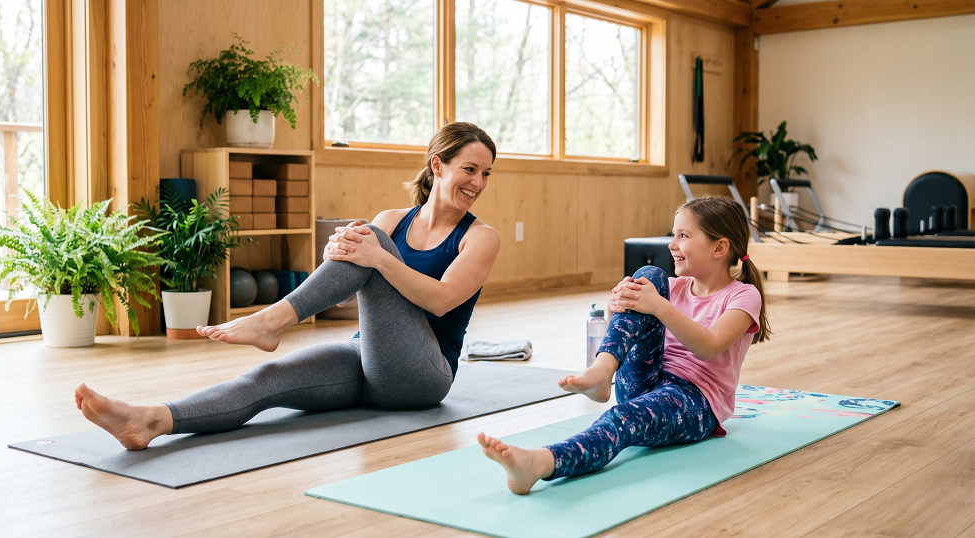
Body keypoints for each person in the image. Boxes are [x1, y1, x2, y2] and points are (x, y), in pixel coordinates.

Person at [75, 122, 501, 450]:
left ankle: (270, 320)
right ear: (437, 165)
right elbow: (357, 285)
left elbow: (443, 302)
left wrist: (375, 257)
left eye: (485, 173)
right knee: (268, 376)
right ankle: (150, 421)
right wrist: (340, 252)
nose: (478, 183)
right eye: (470, 169)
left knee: (374, 244)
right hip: (363, 353)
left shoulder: (480, 237)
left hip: (422, 375)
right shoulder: (391, 219)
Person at [478, 195, 771, 494]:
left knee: (621, 419)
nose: (672, 244)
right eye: (673, 234)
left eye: (683, 235)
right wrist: (617, 301)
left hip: (695, 402)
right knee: (649, 276)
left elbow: (709, 346)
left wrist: (658, 306)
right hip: (643, 380)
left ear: (720, 247)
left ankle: (541, 463)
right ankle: (602, 371)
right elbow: (621, 324)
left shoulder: (743, 296)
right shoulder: (670, 286)